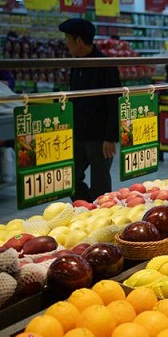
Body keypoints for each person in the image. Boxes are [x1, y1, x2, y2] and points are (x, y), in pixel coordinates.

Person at [58, 18, 121, 202]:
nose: (66, 43)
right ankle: (86, 208)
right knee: (70, 179)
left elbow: (114, 101)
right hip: (78, 135)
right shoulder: (76, 64)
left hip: (100, 137)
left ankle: (101, 217)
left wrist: (110, 137)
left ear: (79, 41)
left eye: (68, 39)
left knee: (100, 183)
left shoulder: (105, 65)